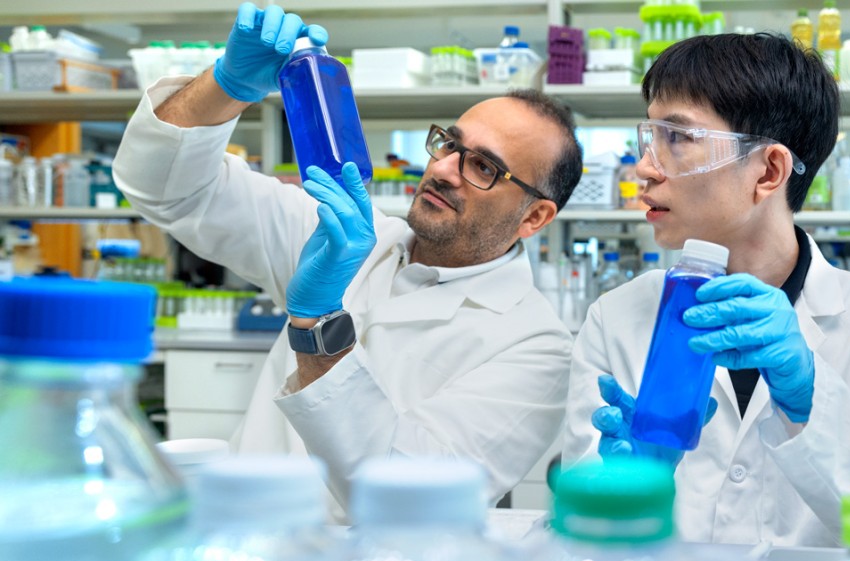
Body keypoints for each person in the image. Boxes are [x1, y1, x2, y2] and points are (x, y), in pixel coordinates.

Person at [112, 3, 583, 517]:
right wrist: (227, 85)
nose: (444, 169)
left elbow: (410, 501)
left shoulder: (537, 347)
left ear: (534, 216)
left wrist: (320, 328)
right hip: (241, 536)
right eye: (449, 144)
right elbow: (166, 190)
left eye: (484, 167)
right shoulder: (340, 234)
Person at [561, 33, 850, 547]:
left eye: (678, 137)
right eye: (649, 137)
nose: (645, 168)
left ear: (768, 171)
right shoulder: (616, 317)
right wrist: (630, 489)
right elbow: (582, 539)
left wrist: (812, 402)